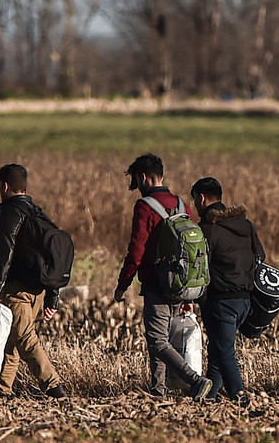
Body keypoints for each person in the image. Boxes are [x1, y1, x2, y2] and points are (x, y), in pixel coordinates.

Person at [114, 153, 213, 401]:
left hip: (157, 283)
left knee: (157, 339)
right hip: (180, 283)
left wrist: (122, 283)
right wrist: (188, 292)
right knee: (158, 337)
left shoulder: (144, 207)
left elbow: (136, 250)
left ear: (143, 177)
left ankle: (195, 380)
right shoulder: (182, 205)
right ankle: (157, 389)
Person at [0, 163, 67, 399]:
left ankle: (53, 387)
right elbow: (54, 257)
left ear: (4, 186)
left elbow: (5, 255)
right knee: (13, 339)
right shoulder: (38, 213)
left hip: (17, 290)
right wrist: (52, 298)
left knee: (24, 338)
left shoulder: (9, 213)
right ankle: (0, 391)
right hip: (38, 291)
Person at [190, 176, 265, 407]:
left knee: (224, 351)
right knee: (217, 347)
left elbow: (199, 268)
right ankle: (210, 395)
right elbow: (260, 256)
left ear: (201, 198)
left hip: (221, 299)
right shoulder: (246, 225)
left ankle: (240, 396)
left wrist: (196, 297)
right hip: (245, 299)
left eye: (195, 201)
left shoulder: (207, 229)